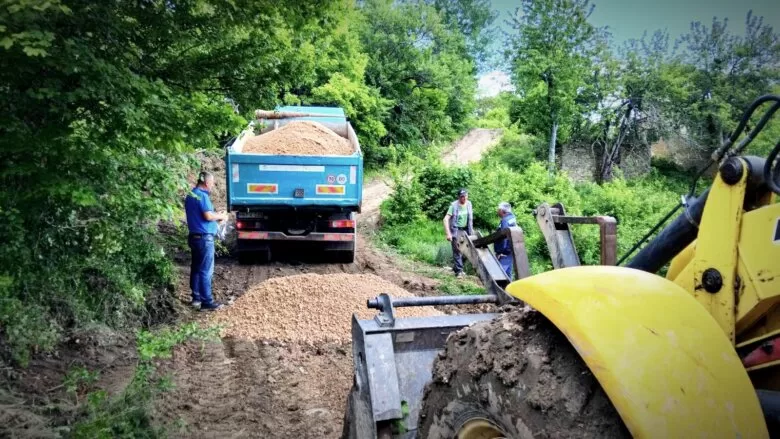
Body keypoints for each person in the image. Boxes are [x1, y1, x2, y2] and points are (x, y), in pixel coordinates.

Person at [185, 171, 229, 311]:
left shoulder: (190, 195)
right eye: (212, 183)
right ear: (206, 182)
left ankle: (196, 298)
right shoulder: (203, 196)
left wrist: (217, 219)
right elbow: (208, 216)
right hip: (204, 239)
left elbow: (201, 217)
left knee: (196, 268)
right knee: (206, 271)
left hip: (194, 236)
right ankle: (207, 302)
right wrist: (221, 216)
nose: (212, 185)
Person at [443, 188, 473, 277]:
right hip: (456, 230)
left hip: (466, 230)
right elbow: (445, 219)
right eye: (462, 197)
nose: (464, 198)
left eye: (465, 196)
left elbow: (470, 219)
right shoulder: (453, 206)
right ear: (459, 197)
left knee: (467, 250)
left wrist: (472, 230)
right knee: (457, 250)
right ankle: (459, 271)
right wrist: (448, 233)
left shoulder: (469, 204)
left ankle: (457, 267)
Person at [494, 201, 517, 278]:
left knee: (499, 275)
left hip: (505, 252)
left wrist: (500, 252)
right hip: (511, 250)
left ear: (502, 211)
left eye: (498, 209)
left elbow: (504, 237)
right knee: (507, 274)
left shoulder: (505, 220)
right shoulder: (512, 218)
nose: (497, 211)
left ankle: (500, 290)